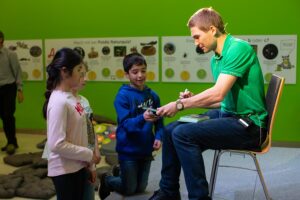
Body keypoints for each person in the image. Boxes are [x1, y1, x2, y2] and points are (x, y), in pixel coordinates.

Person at [149, 7, 268, 200]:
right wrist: (193, 99)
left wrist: (180, 104)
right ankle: (168, 192)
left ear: (212, 29)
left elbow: (218, 94)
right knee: (171, 131)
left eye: (197, 36)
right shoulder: (216, 58)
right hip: (230, 116)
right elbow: (222, 100)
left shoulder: (238, 48)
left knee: (183, 134)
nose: (195, 42)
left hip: (251, 126)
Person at [99, 52, 163, 199]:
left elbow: (159, 120)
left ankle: (120, 174)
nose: (140, 75)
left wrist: (159, 136)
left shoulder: (153, 96)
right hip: (128, 149)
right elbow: (126, 124)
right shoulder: (122, 96)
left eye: (143, 71)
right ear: (126, 74)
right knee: (129, 189)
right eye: (135, 72)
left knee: (141, 187)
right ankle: (108, 180)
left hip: (146, 149)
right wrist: (143, 118)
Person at [42, 48, 100, 200]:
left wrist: (91, 162)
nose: (82, 74)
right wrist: (88, 154)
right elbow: (56, 144)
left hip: (80, 166)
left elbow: (86, 130)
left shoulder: (74, 99)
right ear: (64, 72)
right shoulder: (59, 101)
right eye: (79, 69)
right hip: (65, 171)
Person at [0, 30, 24, 155]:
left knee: (8, 115)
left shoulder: (10, 54)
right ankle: (10, 141)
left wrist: (20, 89)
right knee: (2, 116)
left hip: (9, 88)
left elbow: (17, 72)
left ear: (1, 40)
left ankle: (11, 143)